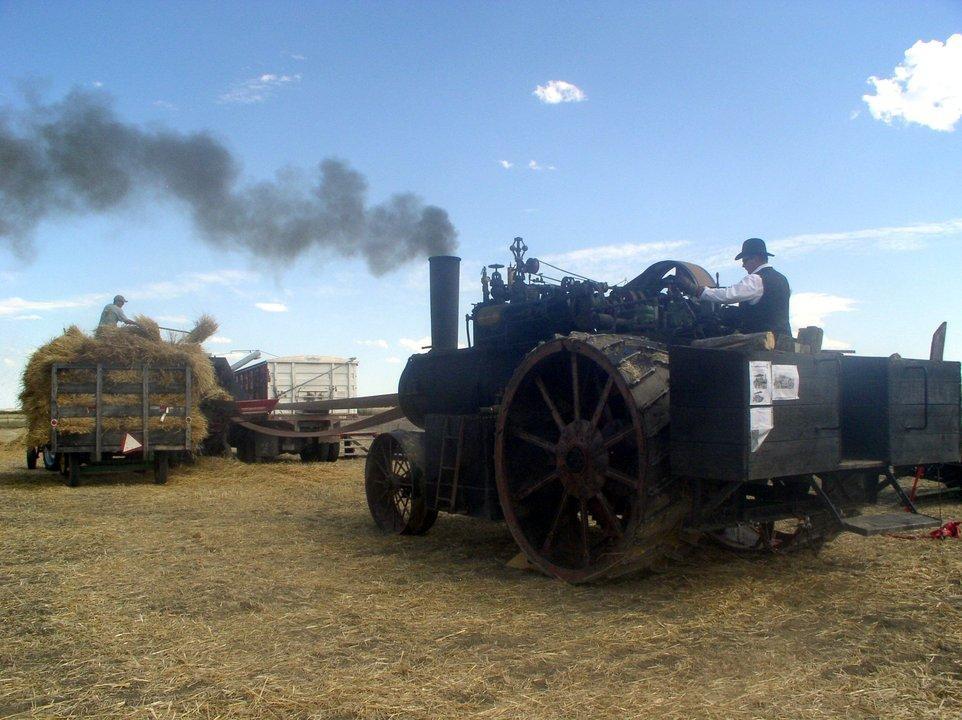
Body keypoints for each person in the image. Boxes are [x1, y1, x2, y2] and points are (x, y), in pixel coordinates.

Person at [689, 237, 791, 339]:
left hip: (762, 341)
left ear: (755, 258)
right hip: (783, 338)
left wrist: (698, 291)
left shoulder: (756, 279)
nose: (743, 265)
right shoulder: (782, 279)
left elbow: (728, 295)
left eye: (745, 260)